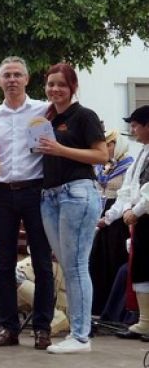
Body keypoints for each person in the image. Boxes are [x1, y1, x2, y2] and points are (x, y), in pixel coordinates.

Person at [0, 56, 55, 349]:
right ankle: (9, 328)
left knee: (41, 261)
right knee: (3, 263)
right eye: (7, 75)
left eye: (17, 75)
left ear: (27, 79)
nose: (12, 79)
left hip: (34, 190)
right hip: (1, 193)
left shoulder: (43, 110)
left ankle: (42, 328)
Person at [37, 62, 107, 353]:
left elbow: (102, 155)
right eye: (51, 84)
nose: (55, 89)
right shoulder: (47, 118)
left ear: (72, 87)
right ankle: (76, 332)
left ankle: (80, 336)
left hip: (77, 193)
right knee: (68, 266)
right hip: (50, 196)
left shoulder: (85, 116)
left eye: (61, 85)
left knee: (77, 266)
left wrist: (61, 149)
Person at [100, 105, 149, 340]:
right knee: (140, 268)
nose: (133, 129)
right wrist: (110, 217)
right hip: (139, 220)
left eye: (136, 124)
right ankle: (145, 321)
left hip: (144, 215)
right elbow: (128, 190)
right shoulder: (142, 153)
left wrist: (137, 210)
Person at [91, 130, 133, 315]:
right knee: (98, 263)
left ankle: (116, 309)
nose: (107, 148)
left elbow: (126, 195)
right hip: (100, 214)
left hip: (117, 222)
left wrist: (108, 217)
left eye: (110, 144)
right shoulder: (103, 166)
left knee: (114, 262)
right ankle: (99, 307)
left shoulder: (129, 165)